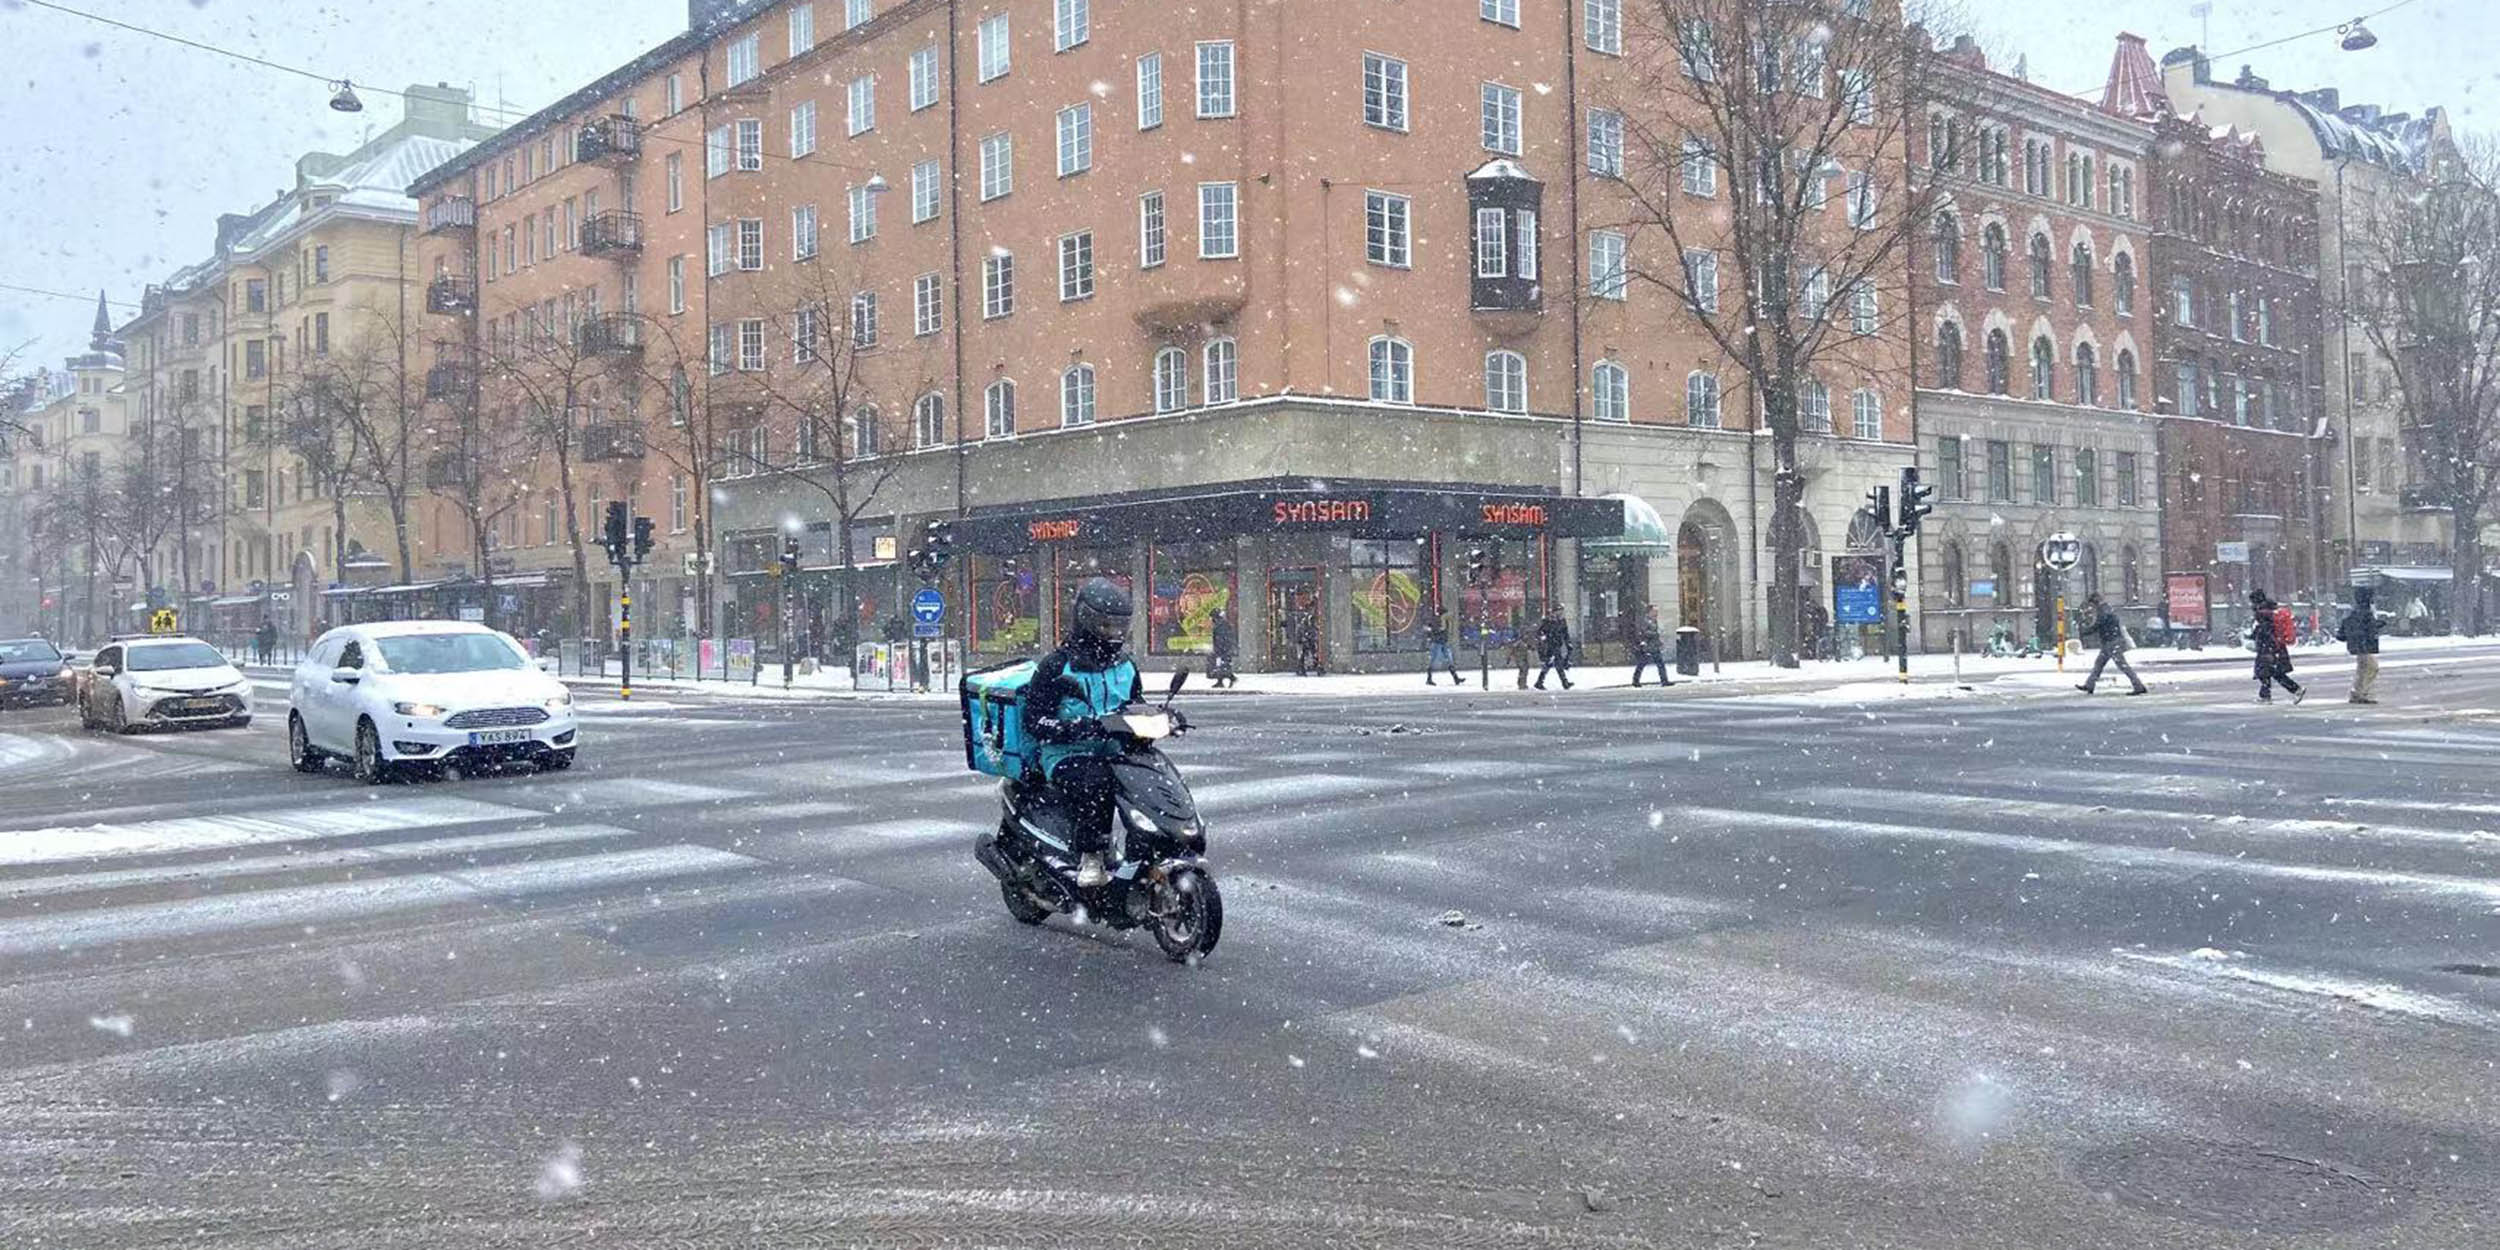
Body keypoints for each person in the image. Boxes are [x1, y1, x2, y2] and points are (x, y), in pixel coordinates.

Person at [1020, 578, 1145, 888]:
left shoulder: (1126, 666)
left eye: (1120, 626)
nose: (1114, 633)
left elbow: (1135, 705)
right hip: (1066, 754)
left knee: (1150, 776)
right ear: (1086, 620)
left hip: (1113, 749)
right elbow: (1034, 720)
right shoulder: (1057, 667)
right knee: (1096, 783)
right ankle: (1092, 856)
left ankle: (1146, 849)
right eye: (1106, 625)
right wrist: (1071, 729)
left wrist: (1162, 716)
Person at [2072, 592, 2148, 696]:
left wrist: (2087, 631)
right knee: (2099, 664)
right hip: (2110, 641)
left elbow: (2100, 624)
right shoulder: (2106, 609)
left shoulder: (2103, 610)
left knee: (2122, 665)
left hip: (2112, 642)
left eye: (2092, 603)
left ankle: (2138, 686)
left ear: (2096, 602)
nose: (2092, 606)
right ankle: (2089, 684)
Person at [2248, 589, 2304, 705]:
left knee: (2266, 673)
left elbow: (2265, 630)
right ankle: (2293, 690)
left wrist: (2256, 637)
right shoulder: (2270, 610)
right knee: (2273, 673)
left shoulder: (2262, 613)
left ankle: (2268, 696)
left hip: (2268, 648)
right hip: (2276, 647)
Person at [2337, 585, 2382, 704]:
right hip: (2364, 645)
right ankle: (2362, 693)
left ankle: (2357, 693)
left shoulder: (2356, 611)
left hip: (2358, 645)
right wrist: (2378, 624)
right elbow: (2368, 627)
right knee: (2372, 668)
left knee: (2363, 669)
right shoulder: (2366, 611)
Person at [1629, 605, 1674, 688]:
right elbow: (1643, 632)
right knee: (1642, 664)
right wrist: (1654, 635)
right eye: (1654, 611)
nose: (1656, 613)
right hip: (1648, 647)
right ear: (1649, 612)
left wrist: (1659, 642)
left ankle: (1664, 680)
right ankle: (1635, 680)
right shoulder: (1645, 621)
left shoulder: (1653, 620)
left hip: (1654, 646)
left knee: (1660, 664)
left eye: (1656, 611)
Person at [1533, 608, 1574, 691]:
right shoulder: (1548, 622)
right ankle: (1564, 683)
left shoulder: (1562, 621)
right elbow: (1540, 632)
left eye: (1561, 611)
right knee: (1557, 663)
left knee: (1549, 664)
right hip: (1550, 645)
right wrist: (1543, 638)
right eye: (1559, 611)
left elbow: (1565, 634)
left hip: (1557, 644)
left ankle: (1540, 682)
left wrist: (1568, 643)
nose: (1560, 613)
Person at [1424, 609, 1465, 686]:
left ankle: (1455, 678)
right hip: (1437, 643)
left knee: (1448, 660)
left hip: (1442, 642)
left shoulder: (1444, 621)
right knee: (1434, 660)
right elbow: (1434, 630)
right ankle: (1429, 679)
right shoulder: (1438, 621)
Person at [1207, 608, 1238, 689]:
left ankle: (1231, 678)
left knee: (1223, 665)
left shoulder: (1221, 625)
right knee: (1221, 665)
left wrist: (1219, 648)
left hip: (1223, 649)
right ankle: (1221, 681)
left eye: (1212, 617)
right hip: (1223, 649)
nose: (1211, 620)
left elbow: (1221, 638)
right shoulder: (1221, 624)